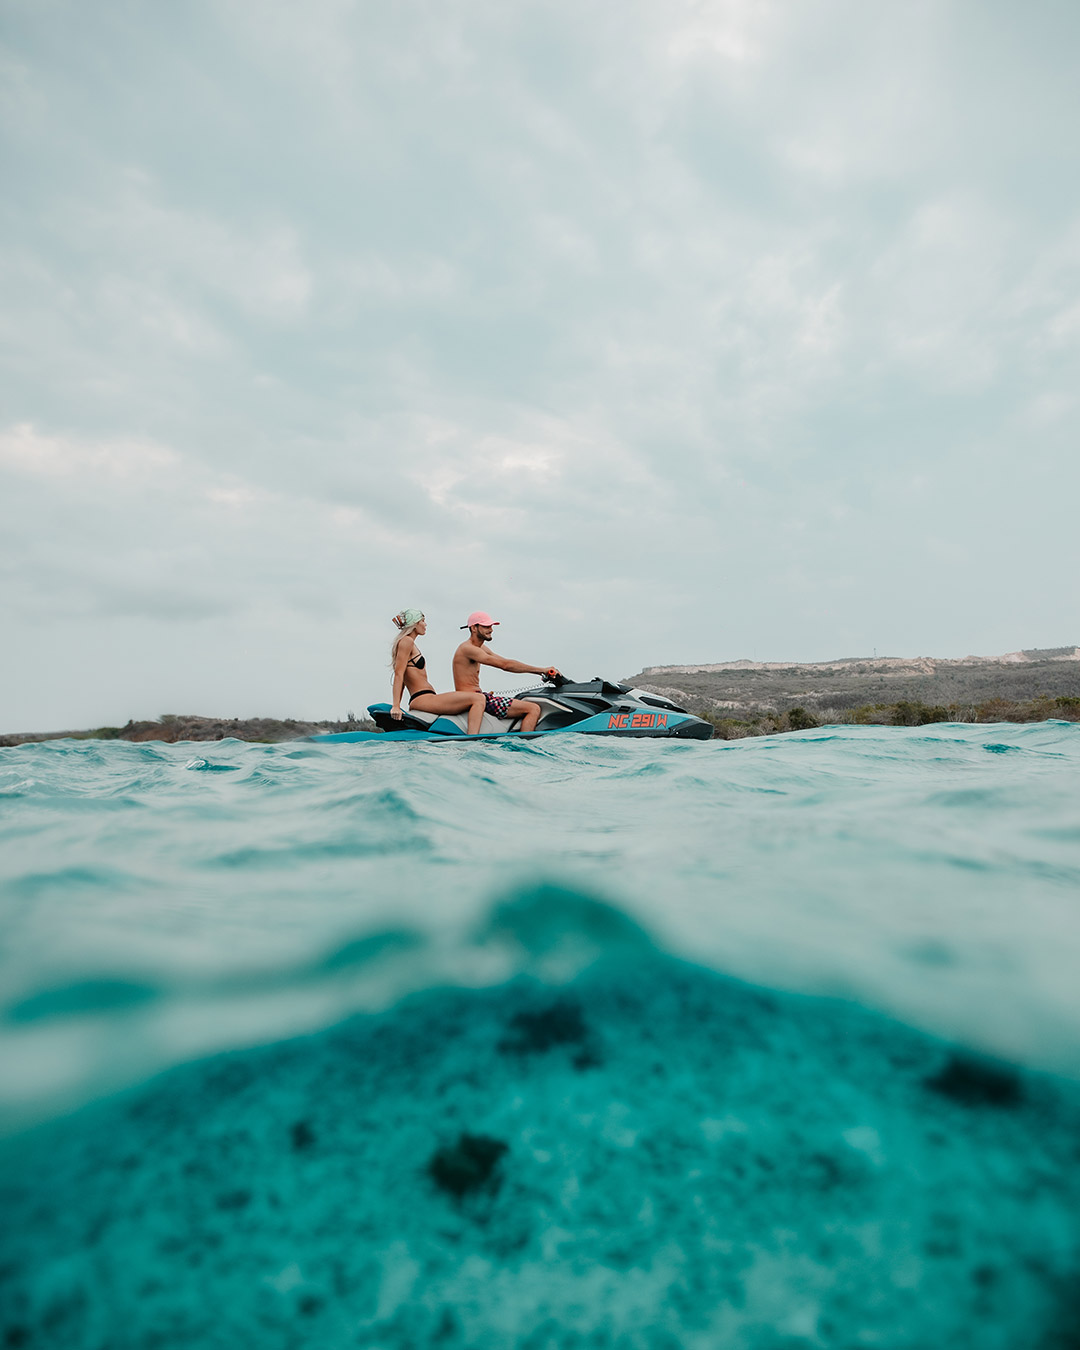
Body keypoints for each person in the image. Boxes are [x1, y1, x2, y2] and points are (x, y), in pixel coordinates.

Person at [452, 611, 561, 733]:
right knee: (533, 708)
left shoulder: (480, 648)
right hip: (474, 699)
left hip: (480, 697)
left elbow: (503, 660)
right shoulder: (468, 649)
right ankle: (524, 747)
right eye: (486, 626)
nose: (491, 629)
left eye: (491, 626)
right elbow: (505, 665)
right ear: (474, 628)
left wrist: (542, 671)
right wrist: (542, 670)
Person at [390, 609, 486, 733]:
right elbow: (399, 674)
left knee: (477, 697)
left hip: (427, 697)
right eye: (423, 621)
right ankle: (472, 741)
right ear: (415, 624)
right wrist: (396, 706)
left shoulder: (410, 643)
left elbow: (403, 677)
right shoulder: (406, 641)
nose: (425, 624)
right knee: (478, 699)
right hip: (422, 698)